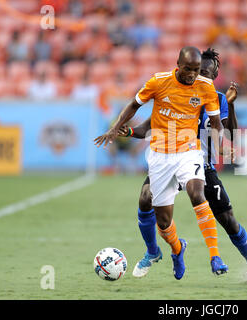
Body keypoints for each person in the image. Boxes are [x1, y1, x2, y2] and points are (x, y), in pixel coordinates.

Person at [121, 48, 247, 286]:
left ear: (215, 74)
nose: (202, 77)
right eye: (199, 72)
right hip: (172, 157)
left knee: (227, 219)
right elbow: (151, 124)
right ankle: (153, 251)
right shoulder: (178, 91)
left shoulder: (216, 97)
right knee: (145, 197)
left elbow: (229, 132)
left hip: (202, 164)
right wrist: (127, 130)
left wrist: (229, 105)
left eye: (207, 73)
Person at [94, 47, 228, 280]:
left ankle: (215, 256)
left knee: (197, 193)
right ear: (177, 65)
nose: (192, 75)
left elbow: (216, 122)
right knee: (164, 222)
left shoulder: (205, 87)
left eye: (196, 70)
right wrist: (116, 128)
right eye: (188, 69)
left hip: (189, 151)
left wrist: (222, 142)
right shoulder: (159, 82)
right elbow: (135, 105)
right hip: (160, 156)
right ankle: (177, 249)